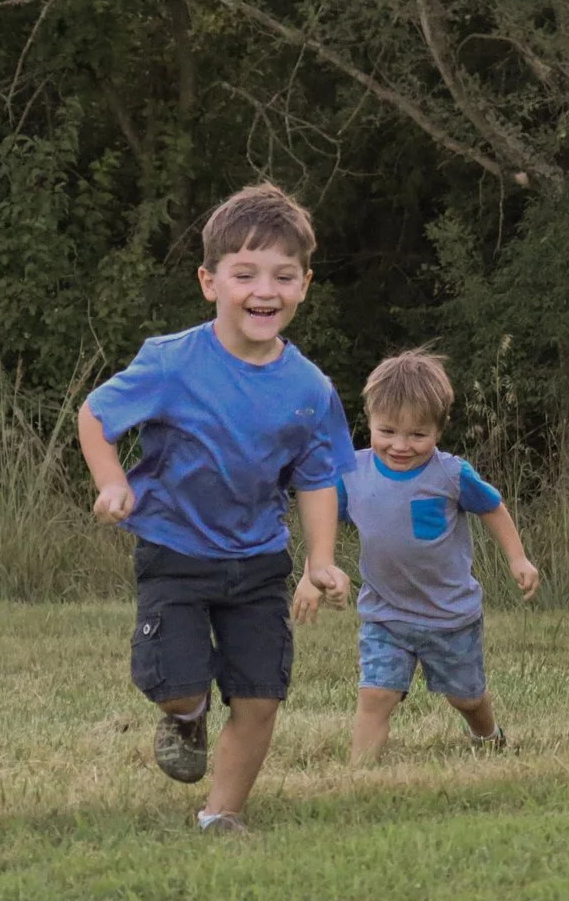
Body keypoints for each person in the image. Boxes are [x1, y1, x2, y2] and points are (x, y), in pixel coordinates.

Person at [77, 183, 353, 833]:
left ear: (304, 285)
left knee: (260, 696)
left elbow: (316, 477)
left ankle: (220, 814)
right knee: (179, 682)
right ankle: (185, 712)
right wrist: (112, 481)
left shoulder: (309, 388)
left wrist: (319, 560)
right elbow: (95, 415)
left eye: (283, 276)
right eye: (246, 274)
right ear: (210, 281)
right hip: (174, 552)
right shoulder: (173, 362)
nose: (265, 290)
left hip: (258, 562)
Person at [330, 350, 539, 764]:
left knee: (466, 697)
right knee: (376, 693)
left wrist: (518, 558)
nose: (401, 446)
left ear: (439, 430)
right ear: (369, 420)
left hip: (449, 615)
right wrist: (318, 568)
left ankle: (487, 735)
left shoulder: (451, 475)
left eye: (417, 435)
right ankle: (358, 771)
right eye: (387, 431)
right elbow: (324, 519)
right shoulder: (351, 473)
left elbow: (493, 507)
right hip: (385, 613)